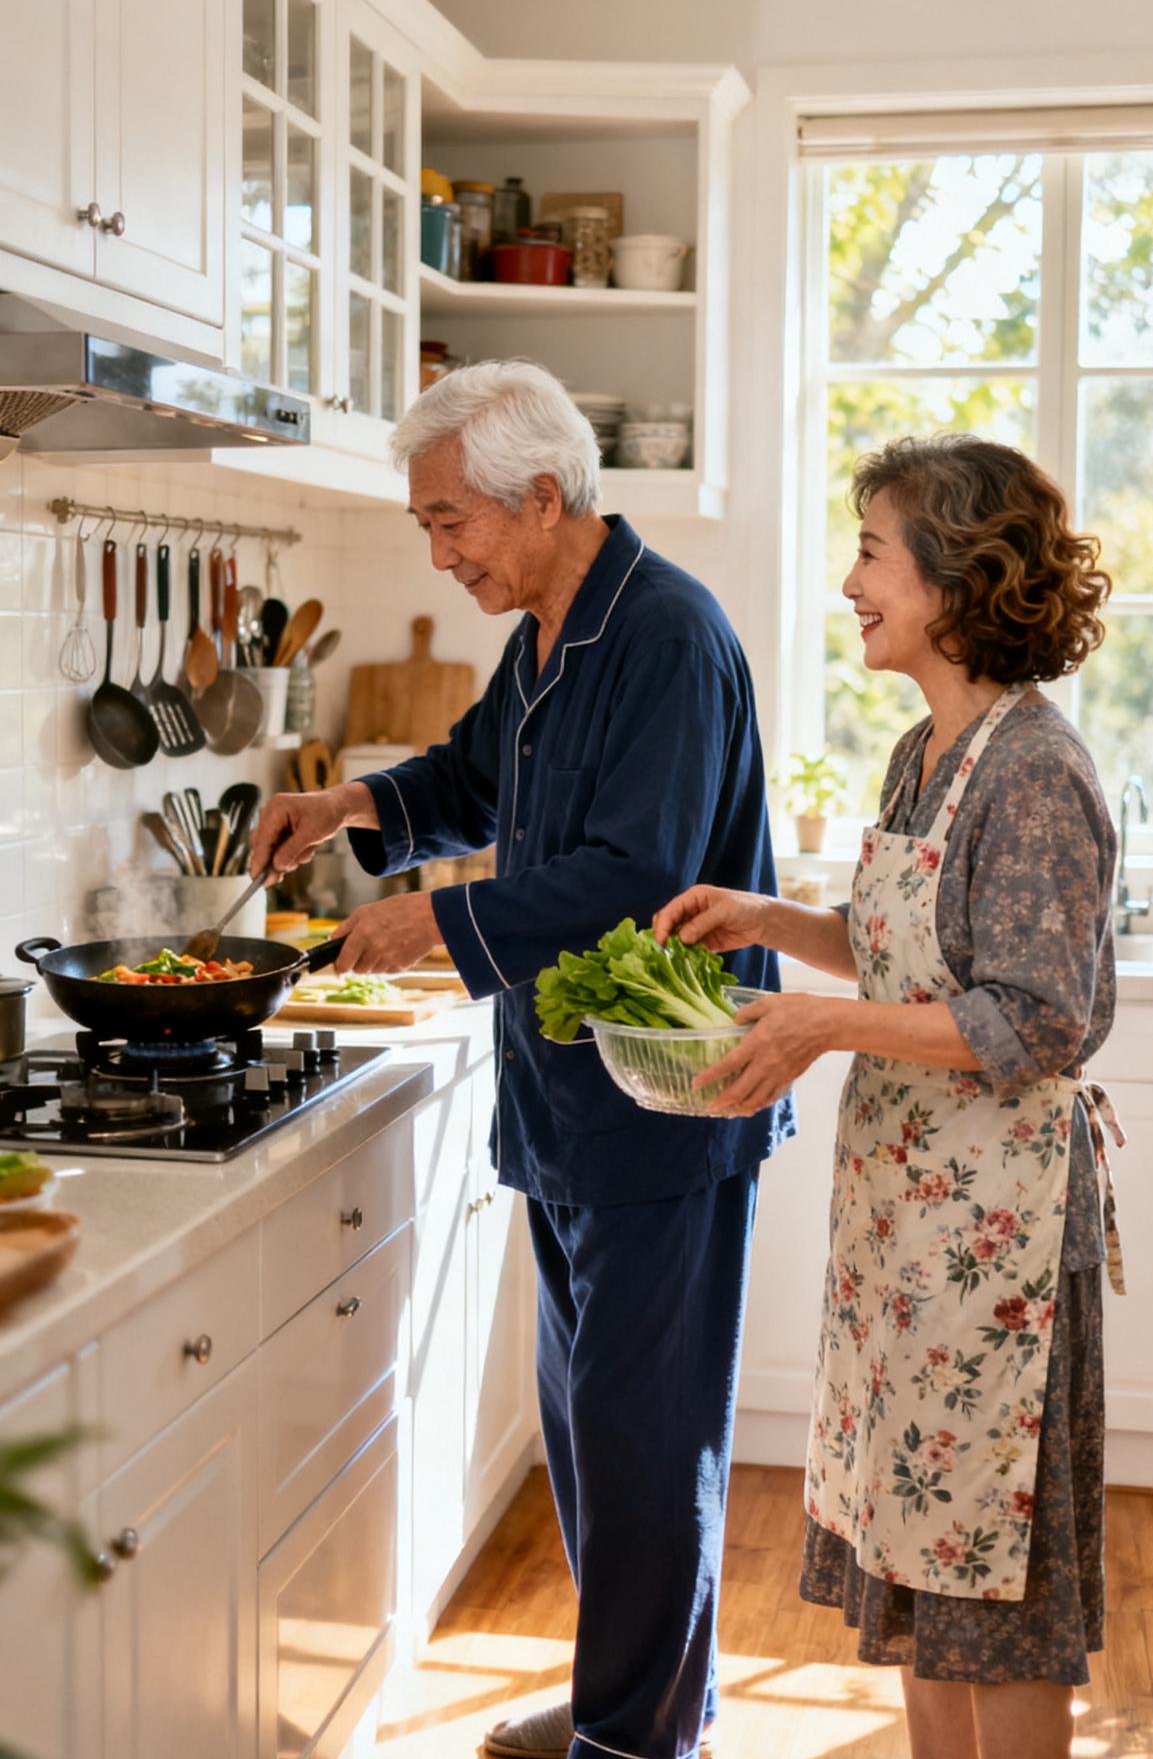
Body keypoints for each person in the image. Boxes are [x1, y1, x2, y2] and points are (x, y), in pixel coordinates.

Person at [250, 361, 795, 1759]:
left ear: (539, 496)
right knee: (589, 1431)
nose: (438, 555)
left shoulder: (666, 635)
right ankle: (635, 1702)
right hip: (568, 1098)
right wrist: (350, 802)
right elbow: (476, 774)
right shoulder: (550, 629)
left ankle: (634, 1740)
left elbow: (637, 876)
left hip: (664, 1100)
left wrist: (432, 916)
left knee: (641, 1439)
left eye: (451, 524)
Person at [655, 433, 1124, 1759]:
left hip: (1003, 1257)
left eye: (870, 551)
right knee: (921, 1578)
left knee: (999, 1599)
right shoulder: (929, 753)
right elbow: (916, 956)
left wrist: (816, 1027)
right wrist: (777, 923)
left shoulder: (1033, 774)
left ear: (956, 576)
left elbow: (1033, 1020)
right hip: (911, 1241)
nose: (848, 581)